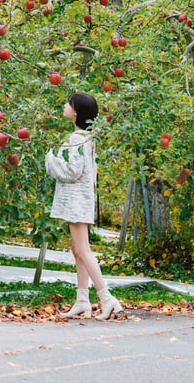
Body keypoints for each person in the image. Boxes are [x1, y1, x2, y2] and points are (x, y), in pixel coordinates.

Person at [44, 92, 122, 320]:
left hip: (76, 202)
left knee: (83, 251)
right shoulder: (83, 138)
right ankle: (82, 301)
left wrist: (50, 158)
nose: (65, 106)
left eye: (69, 103)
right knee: (77, 251)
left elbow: (71, 171)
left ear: (76, 111)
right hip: (78, 202)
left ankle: (107, 299)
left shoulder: (77, 139)